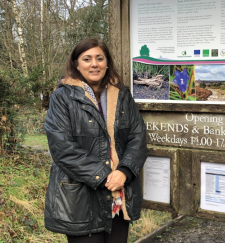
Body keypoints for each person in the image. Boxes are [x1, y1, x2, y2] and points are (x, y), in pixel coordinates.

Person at [44, 38, 148, 243]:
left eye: (99, 58)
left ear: (107, 62)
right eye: (87, 58)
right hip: (81, 200)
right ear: (76, 63)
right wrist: (105, 176)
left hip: (120, 196)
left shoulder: (122, 95)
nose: (94, 64)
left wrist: (125, 172)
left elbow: (138, 136)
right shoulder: (62, 97)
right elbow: (62, 147)